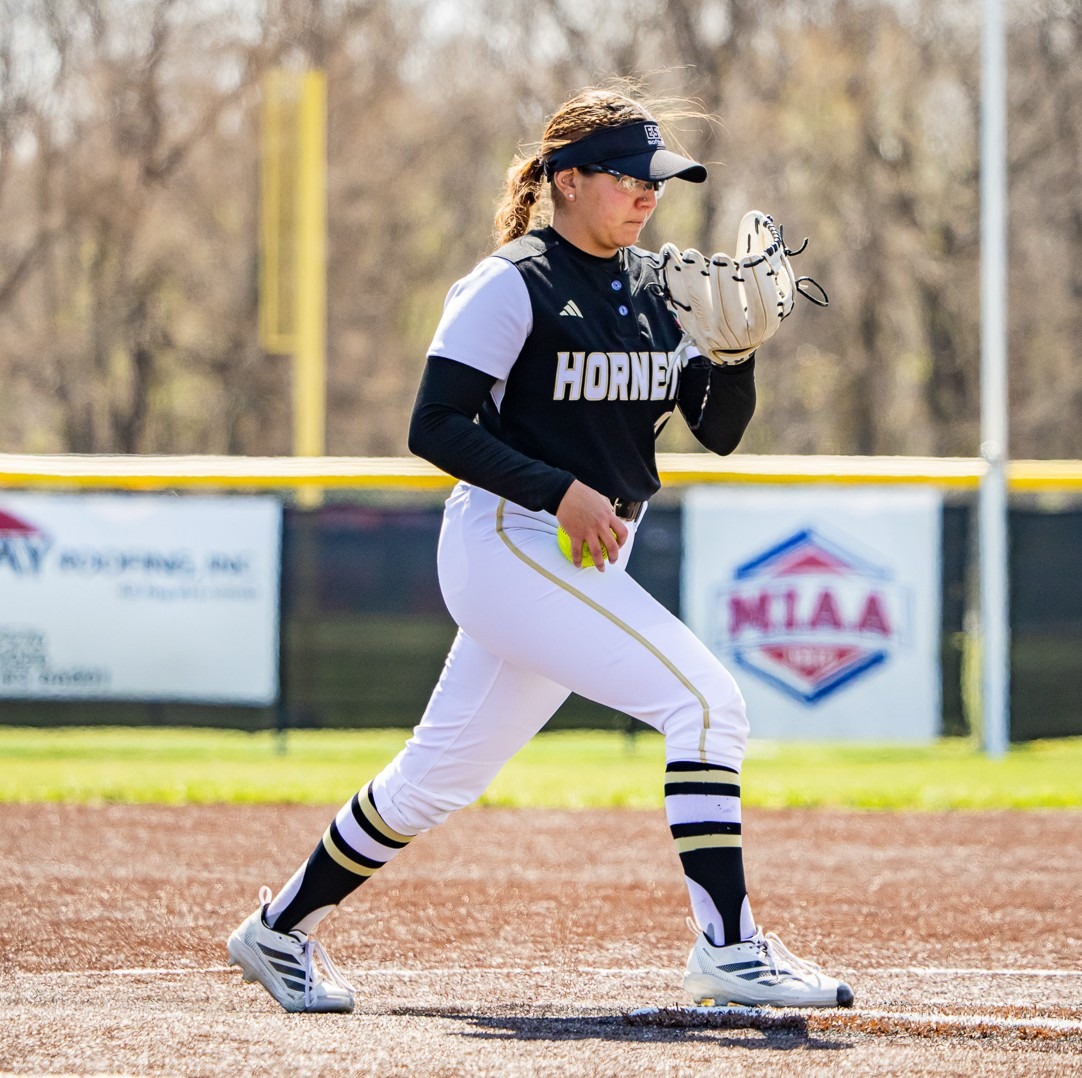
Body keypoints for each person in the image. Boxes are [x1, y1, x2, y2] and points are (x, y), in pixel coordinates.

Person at [225, 84, 853, 1014]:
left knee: (434, 778)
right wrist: (559, 491)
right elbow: (434, 425)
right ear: (567, 180)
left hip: (584, 557)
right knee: (709, 706)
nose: (649, 196)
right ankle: (733, 949)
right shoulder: (513, 282)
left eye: (659, 181)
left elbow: (717, 432)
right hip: (512, 543)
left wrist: (736, 355)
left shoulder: (653, 288)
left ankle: (277, 929)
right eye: (631, 178)